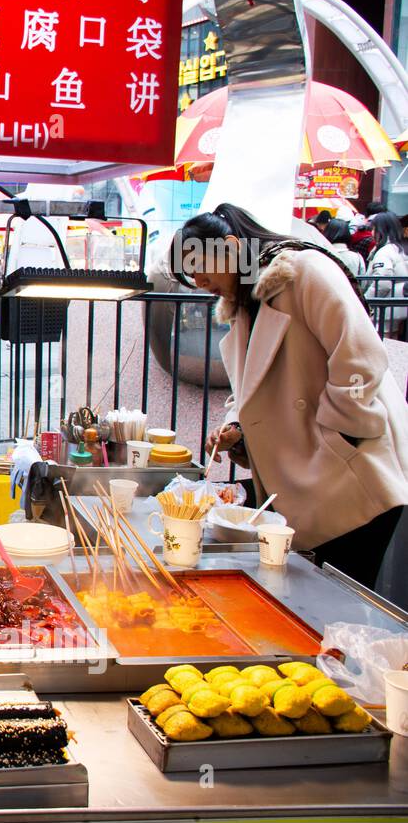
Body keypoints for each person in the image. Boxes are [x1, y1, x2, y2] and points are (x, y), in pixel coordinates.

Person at [173, 203, 408, 589]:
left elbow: (361, 357)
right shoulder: (246, 307)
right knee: (309, 610)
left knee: (337, 612)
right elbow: (252, 390)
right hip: (307, 485)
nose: (197, 281)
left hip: (350, 478)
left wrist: (337, 436)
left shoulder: (304, 272)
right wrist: (237, 428)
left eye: (198, 267)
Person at [366, 211, 408, 338]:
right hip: (398, 309)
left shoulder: (385, 252)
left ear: (381, 230)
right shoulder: (400, 249)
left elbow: (382, 283)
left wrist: (366, 301)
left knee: (381, 343)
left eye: (373, 229)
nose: (372, 233)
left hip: (384, 312)